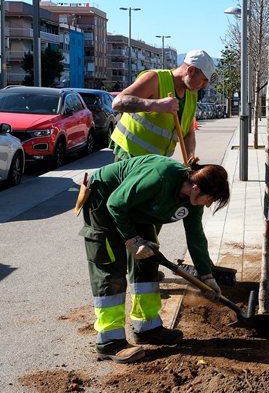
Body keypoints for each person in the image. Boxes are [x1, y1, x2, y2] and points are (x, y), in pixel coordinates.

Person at [80, 154, 230, 362]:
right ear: (197, 188)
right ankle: (109, 341)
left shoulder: (192, 202)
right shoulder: (159, 177)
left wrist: (207, 277)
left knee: (148, 262)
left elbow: (196, 236)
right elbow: (116, 203)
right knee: (111, 269)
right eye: (210, 200)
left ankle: (146, 327)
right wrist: (131, 240)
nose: (207, 205)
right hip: (105, 199)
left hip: (136, 208)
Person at [110, 50, 217, 163]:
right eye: (204, 79)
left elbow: (189, 133)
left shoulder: (191, 93)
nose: (205, 85)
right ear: (190, 71)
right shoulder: (155, 79)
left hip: (157, 161)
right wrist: (156, 104)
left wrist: (190, 162)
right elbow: (118, 102)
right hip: (131, 154)